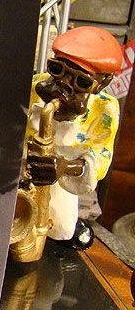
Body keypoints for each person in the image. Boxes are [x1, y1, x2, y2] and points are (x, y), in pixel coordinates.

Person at [25, 26, 123, 241]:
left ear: (104, 82)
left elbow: (100, 159)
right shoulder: (34, 87)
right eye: (57, 70)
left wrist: (64, 166)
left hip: (61, 182)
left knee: (62, 228)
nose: (63, 85)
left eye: (82, 82)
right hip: (24, 171)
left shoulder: (105, 109)